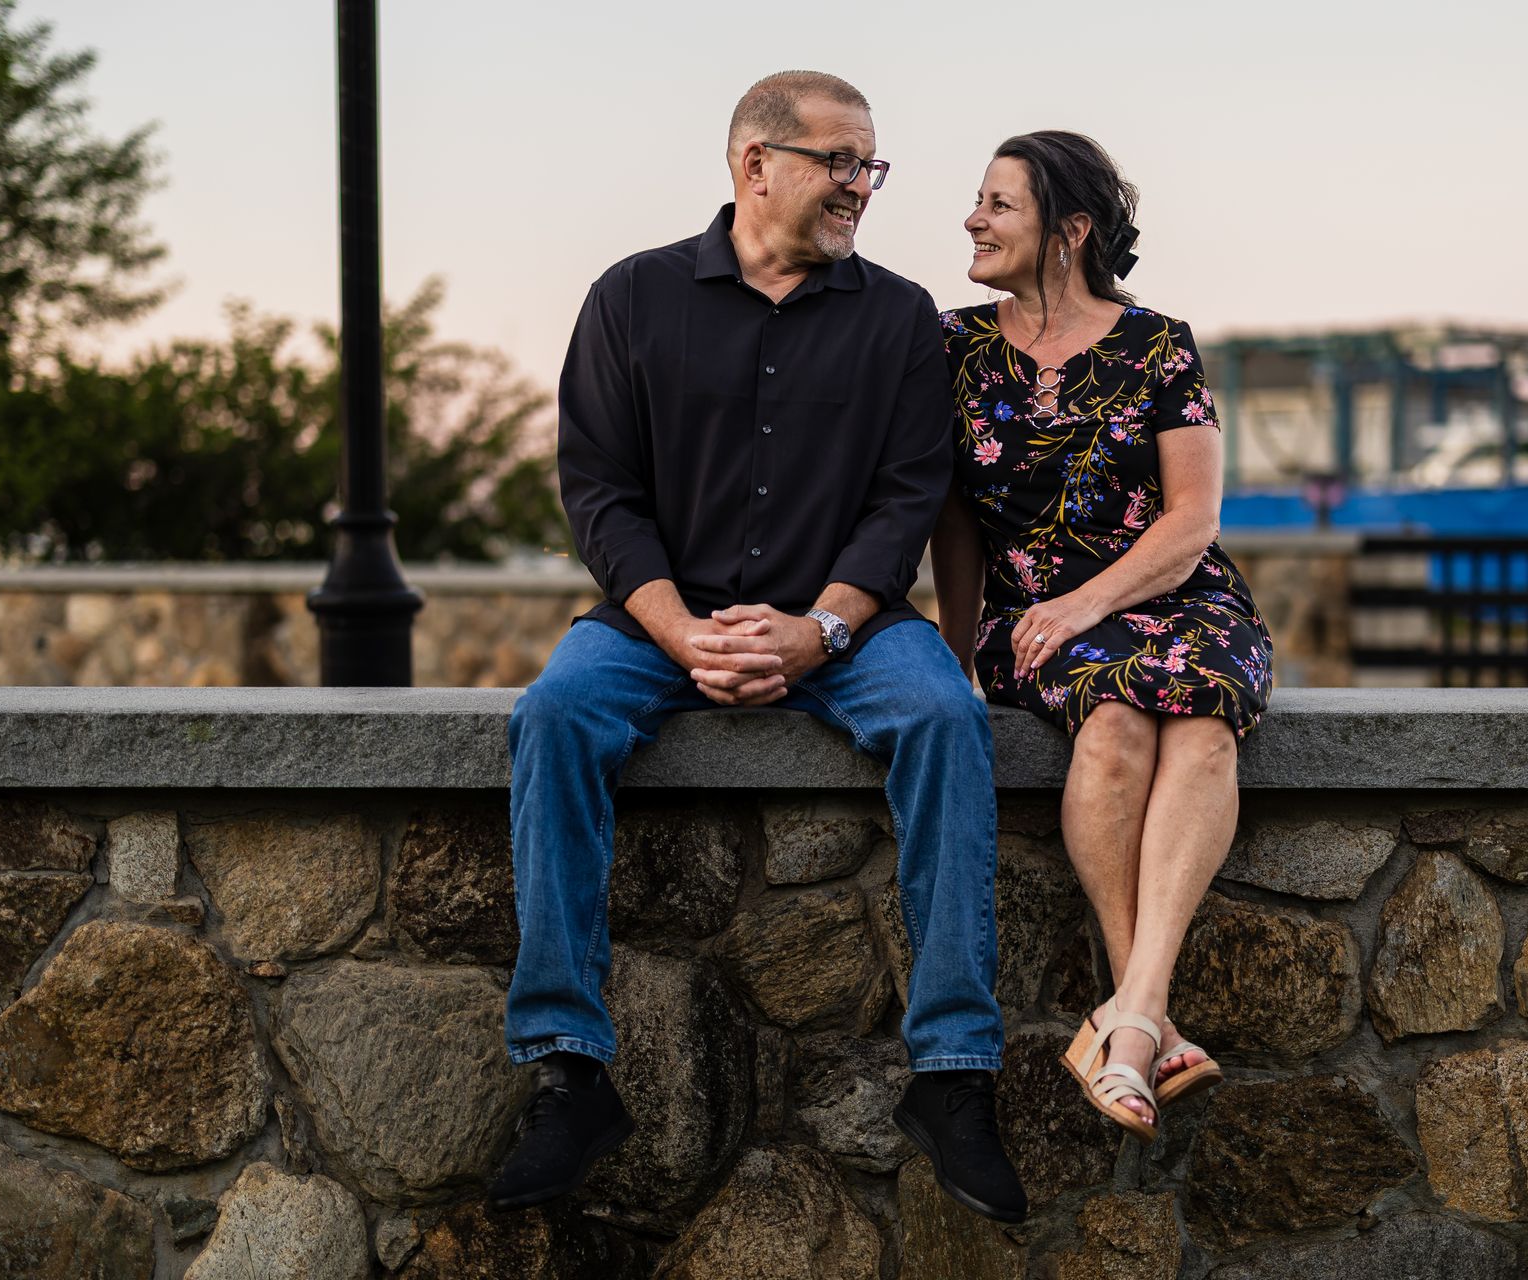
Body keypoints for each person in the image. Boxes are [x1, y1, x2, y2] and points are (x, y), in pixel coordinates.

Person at [485, 71, 1026, 1225]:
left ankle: (955, 1072)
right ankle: (569, 1069)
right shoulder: (630, 298)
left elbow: (906, 497)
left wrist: (817, 627)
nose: (862, 188)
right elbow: (599, 489)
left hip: (851, 626)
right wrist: (679, 628)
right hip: (657, 619)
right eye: (841, 162)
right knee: (555, 715)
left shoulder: (897, 317)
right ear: (755, 163)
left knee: (944, 718)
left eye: (870, 166)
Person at [932, 131, 1275, 1143]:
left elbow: (1191, 520)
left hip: (1177, 602)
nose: (973, 220)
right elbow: (951, 520)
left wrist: (1088, 605)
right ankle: (1145, 1018)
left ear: (1068, 231)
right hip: (1030, 625)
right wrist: (956, 657)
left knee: (1202, 718)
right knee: (1117, 720)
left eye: (999, 204)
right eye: (978, 201)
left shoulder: (1160, 342)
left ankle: (1129, 1018)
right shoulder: (949, 345)